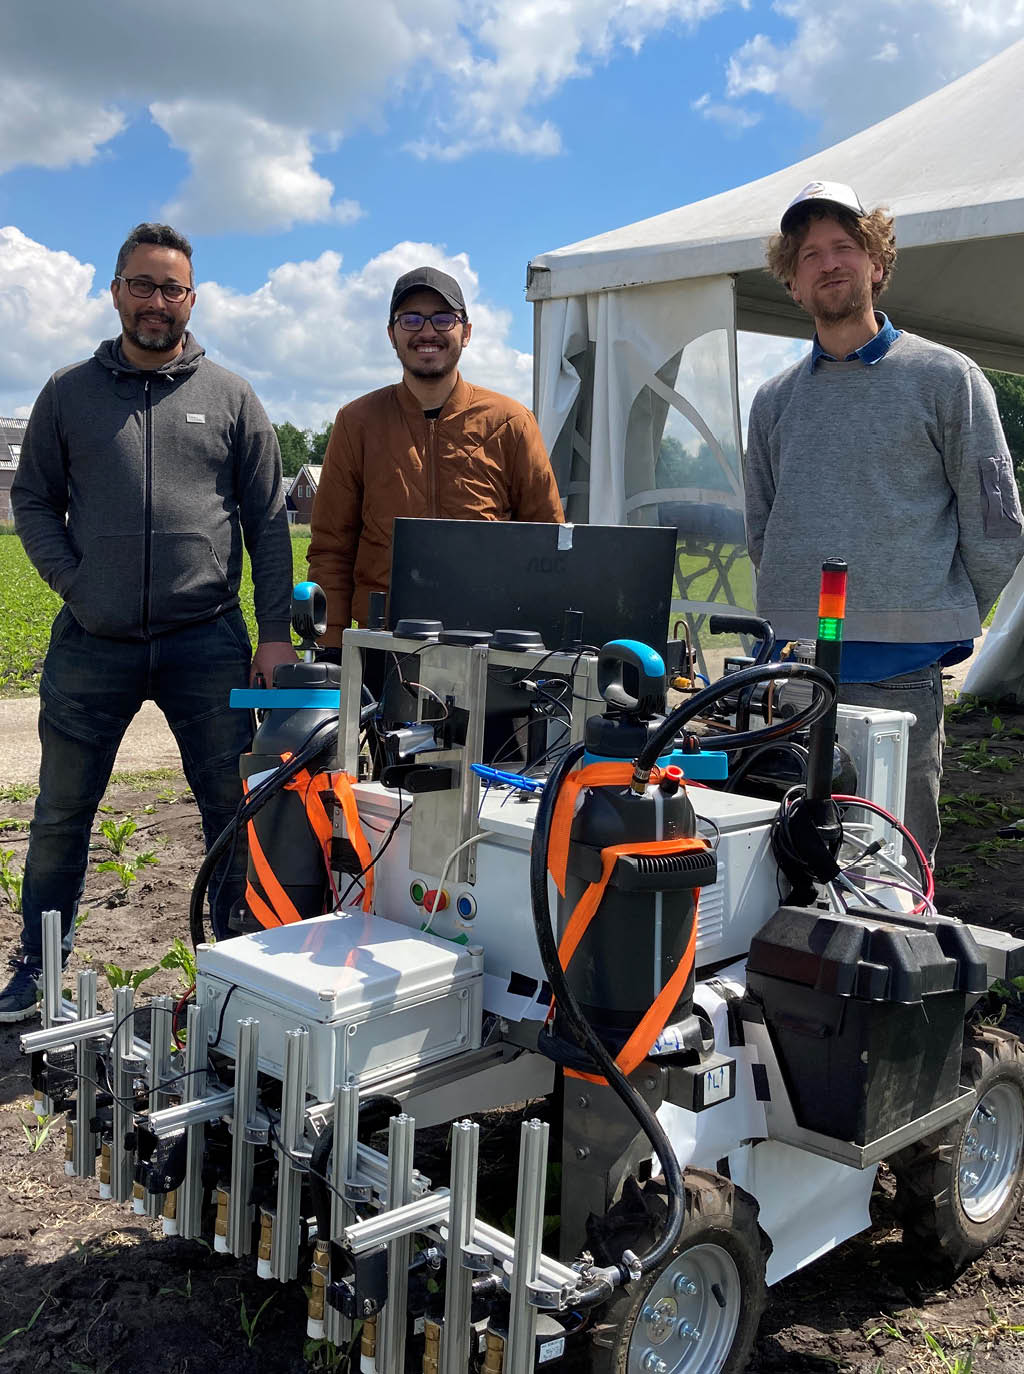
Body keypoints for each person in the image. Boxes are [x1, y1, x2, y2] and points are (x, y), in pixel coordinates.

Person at [1, 223, 296, 1021]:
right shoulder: (67, 391)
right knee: (62, 811)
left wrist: (274, 633)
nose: (157, 301)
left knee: (230, 804)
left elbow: (269, 521)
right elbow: (32, 499)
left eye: (172, 288)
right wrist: (74, 583)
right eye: (142, 284)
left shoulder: (231, 396)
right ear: (116, 291)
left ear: (191, 300)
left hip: (206, 640)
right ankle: (39, 963)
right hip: (93, 642)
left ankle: (237, 966)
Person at [744, 181, 1024, 865]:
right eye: (809, 254)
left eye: (845, 246)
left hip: (902, 676)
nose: (828, 263)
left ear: (877, 262)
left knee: (892, 859)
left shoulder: (948, 379)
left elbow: (996, 520)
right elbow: (762, 524)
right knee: (788, 856)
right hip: (793, 673)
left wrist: (940, 618)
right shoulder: (775, 400)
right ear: (791, 279)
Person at [307, 266, 563, 650]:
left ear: (467, 332)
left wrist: (543, 649)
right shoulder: (357, 422)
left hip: (491, 647)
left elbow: (547, 543)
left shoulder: (511, 422)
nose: (427, 331)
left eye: (443, 318)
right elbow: (332, 547)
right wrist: (332, 647)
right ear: (392, 335)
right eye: (411, 319)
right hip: (383, 643)